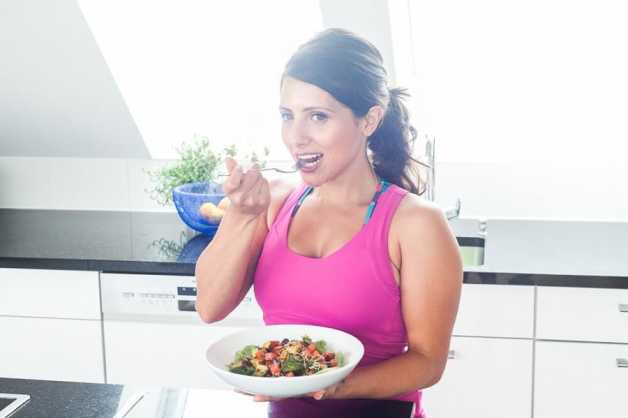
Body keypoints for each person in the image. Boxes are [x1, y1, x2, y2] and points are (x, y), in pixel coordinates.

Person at [195, 28, 462, 418]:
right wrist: (242, 216)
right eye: (288, 116)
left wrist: (334, 386)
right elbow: (209, 306)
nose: (296, 137)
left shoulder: (416, 224)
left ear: (369, 119)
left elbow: (427, 362)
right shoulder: (273, 201)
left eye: (318, 117)